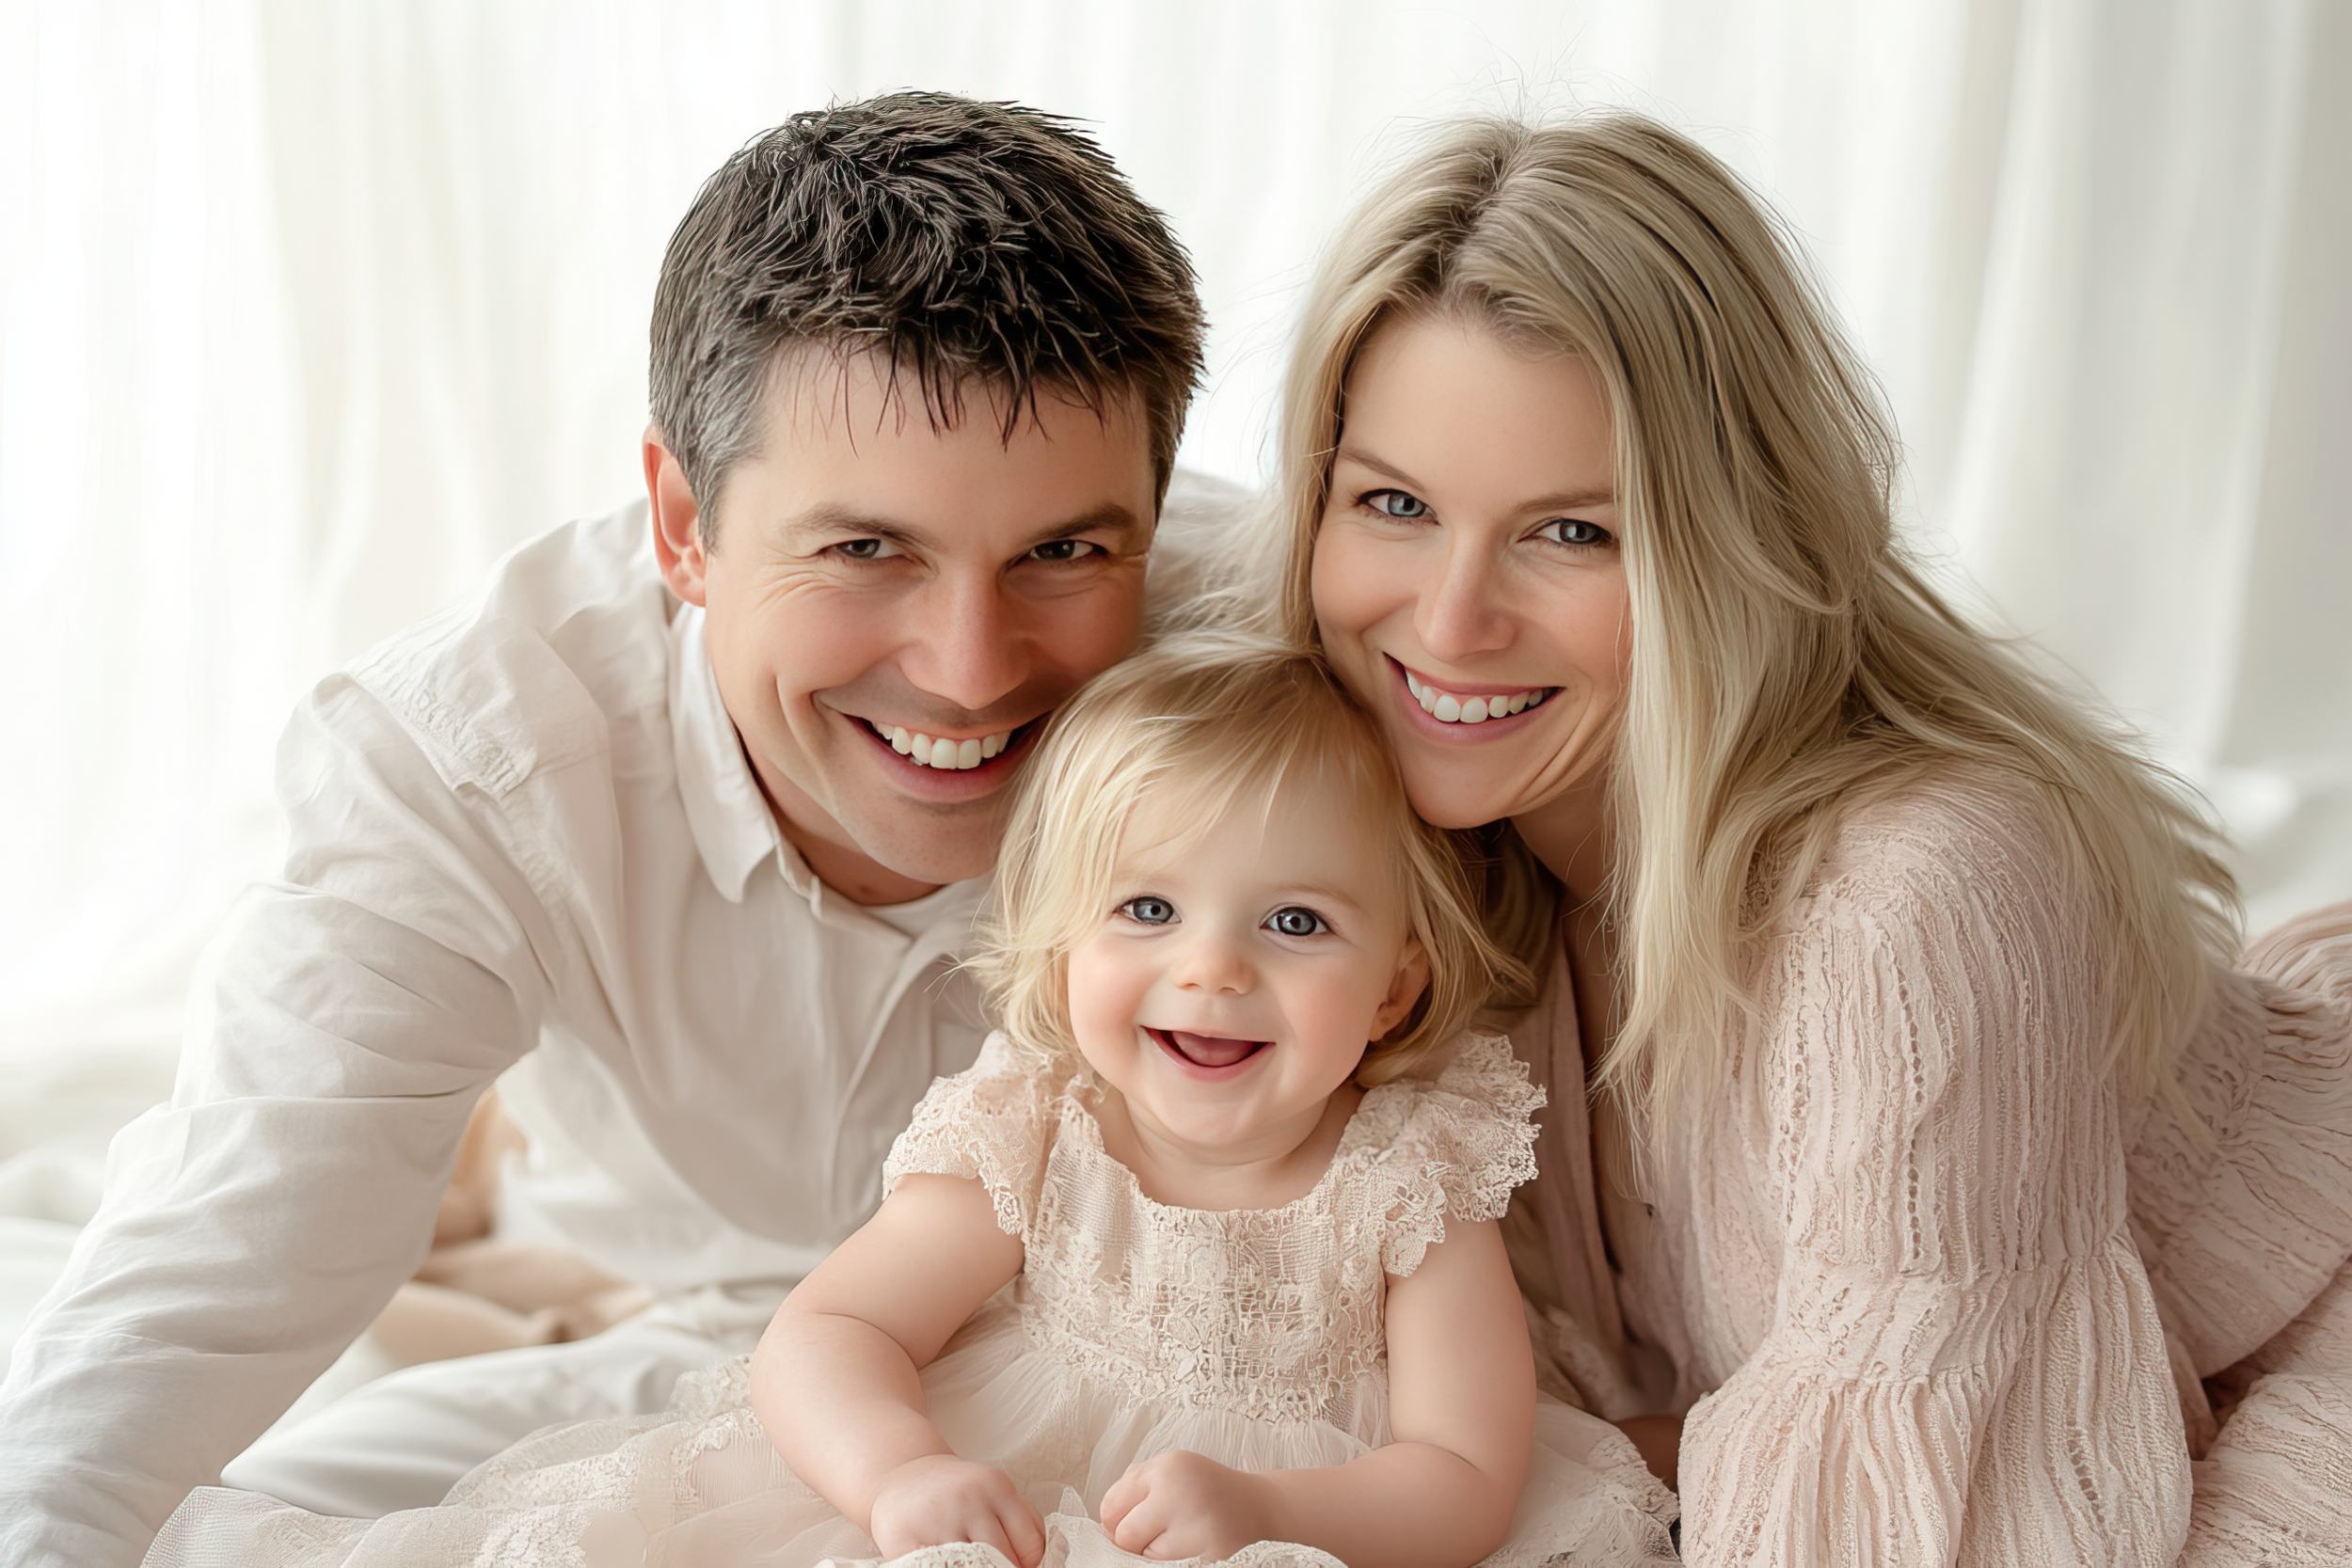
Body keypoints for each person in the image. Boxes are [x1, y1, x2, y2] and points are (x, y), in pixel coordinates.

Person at [0, 92, 1216, 1568]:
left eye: (1065, 551)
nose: (970, 665)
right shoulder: (472, 762)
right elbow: (207, 1268)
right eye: (864, 548)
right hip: (716, 1351)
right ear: (683, 524)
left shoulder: (1274, 666)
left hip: (1167, 1394)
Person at [1256, 111, 2352, 1563]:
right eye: (1393, 503)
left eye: (1573, 532)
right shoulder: (1368, 812)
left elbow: (1948, 1526)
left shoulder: (1908, 903)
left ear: (1731, 544)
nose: (1448, 623)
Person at [145, 638, 1680, 1567]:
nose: (1209, 975)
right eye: (1146, 910)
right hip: (987, 1509)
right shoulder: (1037, 1124)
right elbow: (831, 1331)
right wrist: (900, 1471)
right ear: (1068, 937)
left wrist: (1278, 1504)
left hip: (1282, 1522)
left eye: (1294, 926)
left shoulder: (1415, 1172)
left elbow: (1467, 1473)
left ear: (1400, 985)